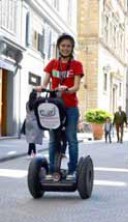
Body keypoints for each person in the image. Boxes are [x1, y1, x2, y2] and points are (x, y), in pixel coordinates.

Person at [36, 33, 84, 180]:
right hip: (54, 107)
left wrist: (67, 89)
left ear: (72, 48)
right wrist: (41, 88)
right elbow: (44, 83)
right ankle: (51, 170)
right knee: (53, 139)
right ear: (59, 47)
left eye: (68, 46)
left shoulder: (76, 65)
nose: (65, 48)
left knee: (71, 138)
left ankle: (72, 170)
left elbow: (76, 86)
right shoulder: (52, 64)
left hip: (70, 107)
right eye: (63, 45)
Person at [25, 91, 44, 159]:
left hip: (28, 122)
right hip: (35, 122)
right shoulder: (36, 103)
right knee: (33, 140)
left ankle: (32, 153)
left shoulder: (27, 103)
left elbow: (27, 111)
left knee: (31, 139)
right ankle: (30, 154)